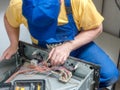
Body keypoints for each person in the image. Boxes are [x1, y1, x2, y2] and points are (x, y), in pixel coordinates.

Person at [0, 0, 119, 89]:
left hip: (77, 45)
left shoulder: (78, 2)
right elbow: (8, 20)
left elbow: (97, 28)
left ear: (60, 2)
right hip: (44, 50)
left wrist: (68, 46)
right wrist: (13, 44)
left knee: (111, 75)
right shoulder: (18, 4)